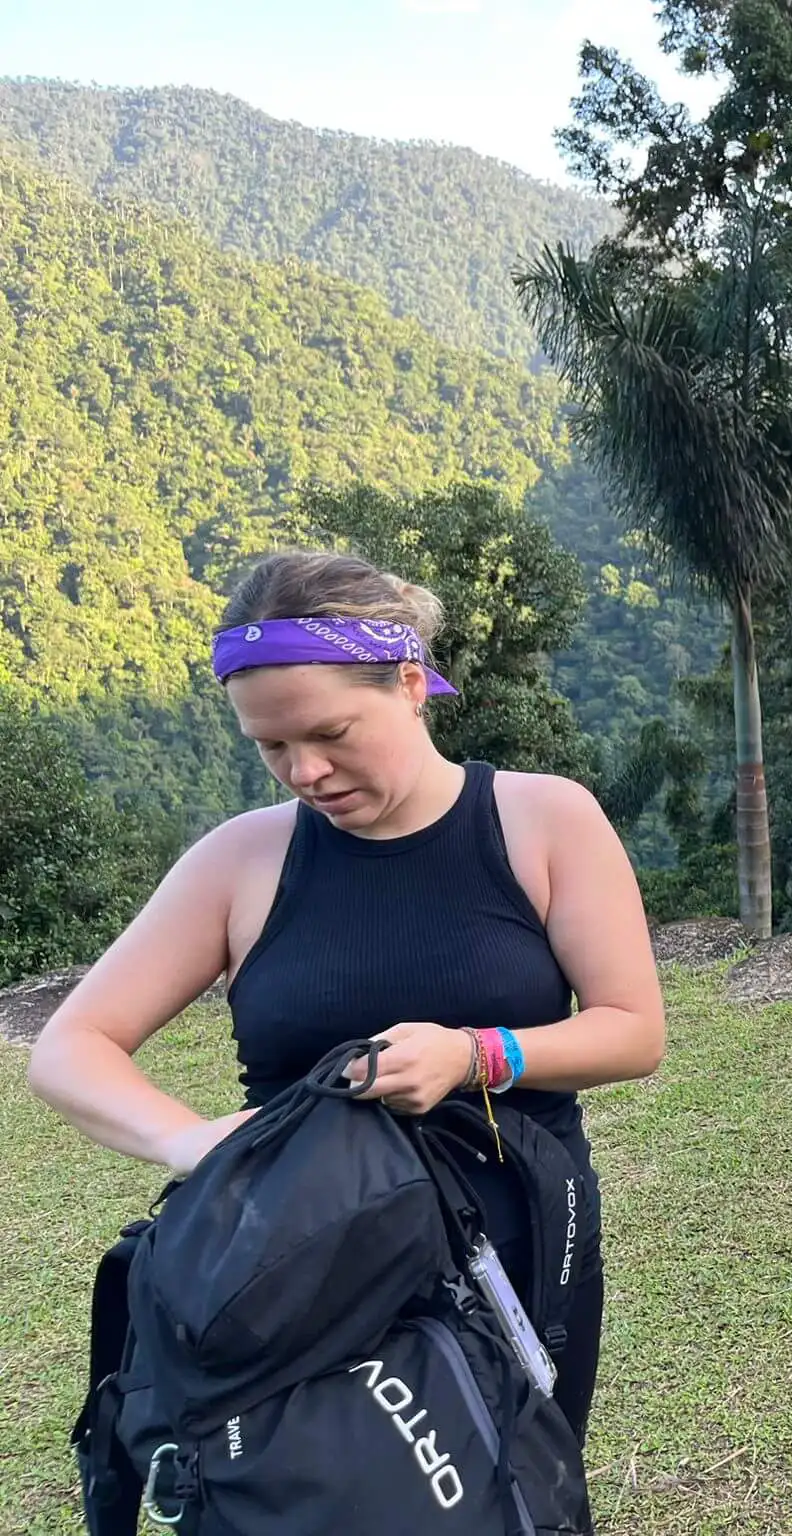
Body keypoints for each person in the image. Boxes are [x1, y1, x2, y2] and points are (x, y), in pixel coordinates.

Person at [27, 550, 666, 1444]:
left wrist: (475, 1055)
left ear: (410, 684)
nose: (304, 771)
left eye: (330, 733)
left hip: (517, 1251)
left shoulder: (544, 820)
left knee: (520, 1486)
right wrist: (196, 1142)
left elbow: (633, 1030)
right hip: (298, 1264)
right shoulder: (239, 861)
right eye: (272, 746)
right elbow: (71, 1046)